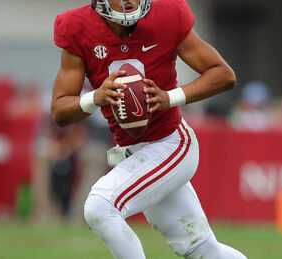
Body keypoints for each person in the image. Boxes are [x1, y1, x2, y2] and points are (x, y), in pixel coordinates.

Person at [51, 0, 247, 258]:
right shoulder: (76, 26)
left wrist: (170, 97)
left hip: (171, 143)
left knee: (100, 206)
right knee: (200, 248)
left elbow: (223, 75)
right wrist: (95, 98)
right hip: (133, 151)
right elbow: (60, 111)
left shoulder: (167, 14)